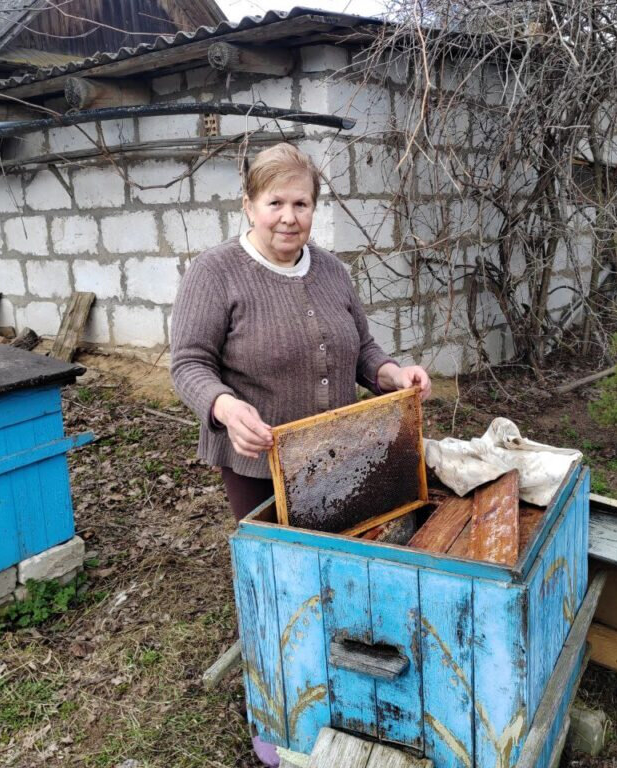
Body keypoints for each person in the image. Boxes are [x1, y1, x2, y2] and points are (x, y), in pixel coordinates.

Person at [170, 143, 431, 766]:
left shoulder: (333, 271)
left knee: (334, 577)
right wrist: (227, 409)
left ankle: (342, 689)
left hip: (338, 458)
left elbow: (362, 348)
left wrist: (392, 373)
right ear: (249, 205)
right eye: (275, 202)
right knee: (280, 586)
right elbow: (188, 364)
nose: (289, 216)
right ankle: (279, 711)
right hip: (259, 463)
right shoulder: (215, 273)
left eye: (302, 203)